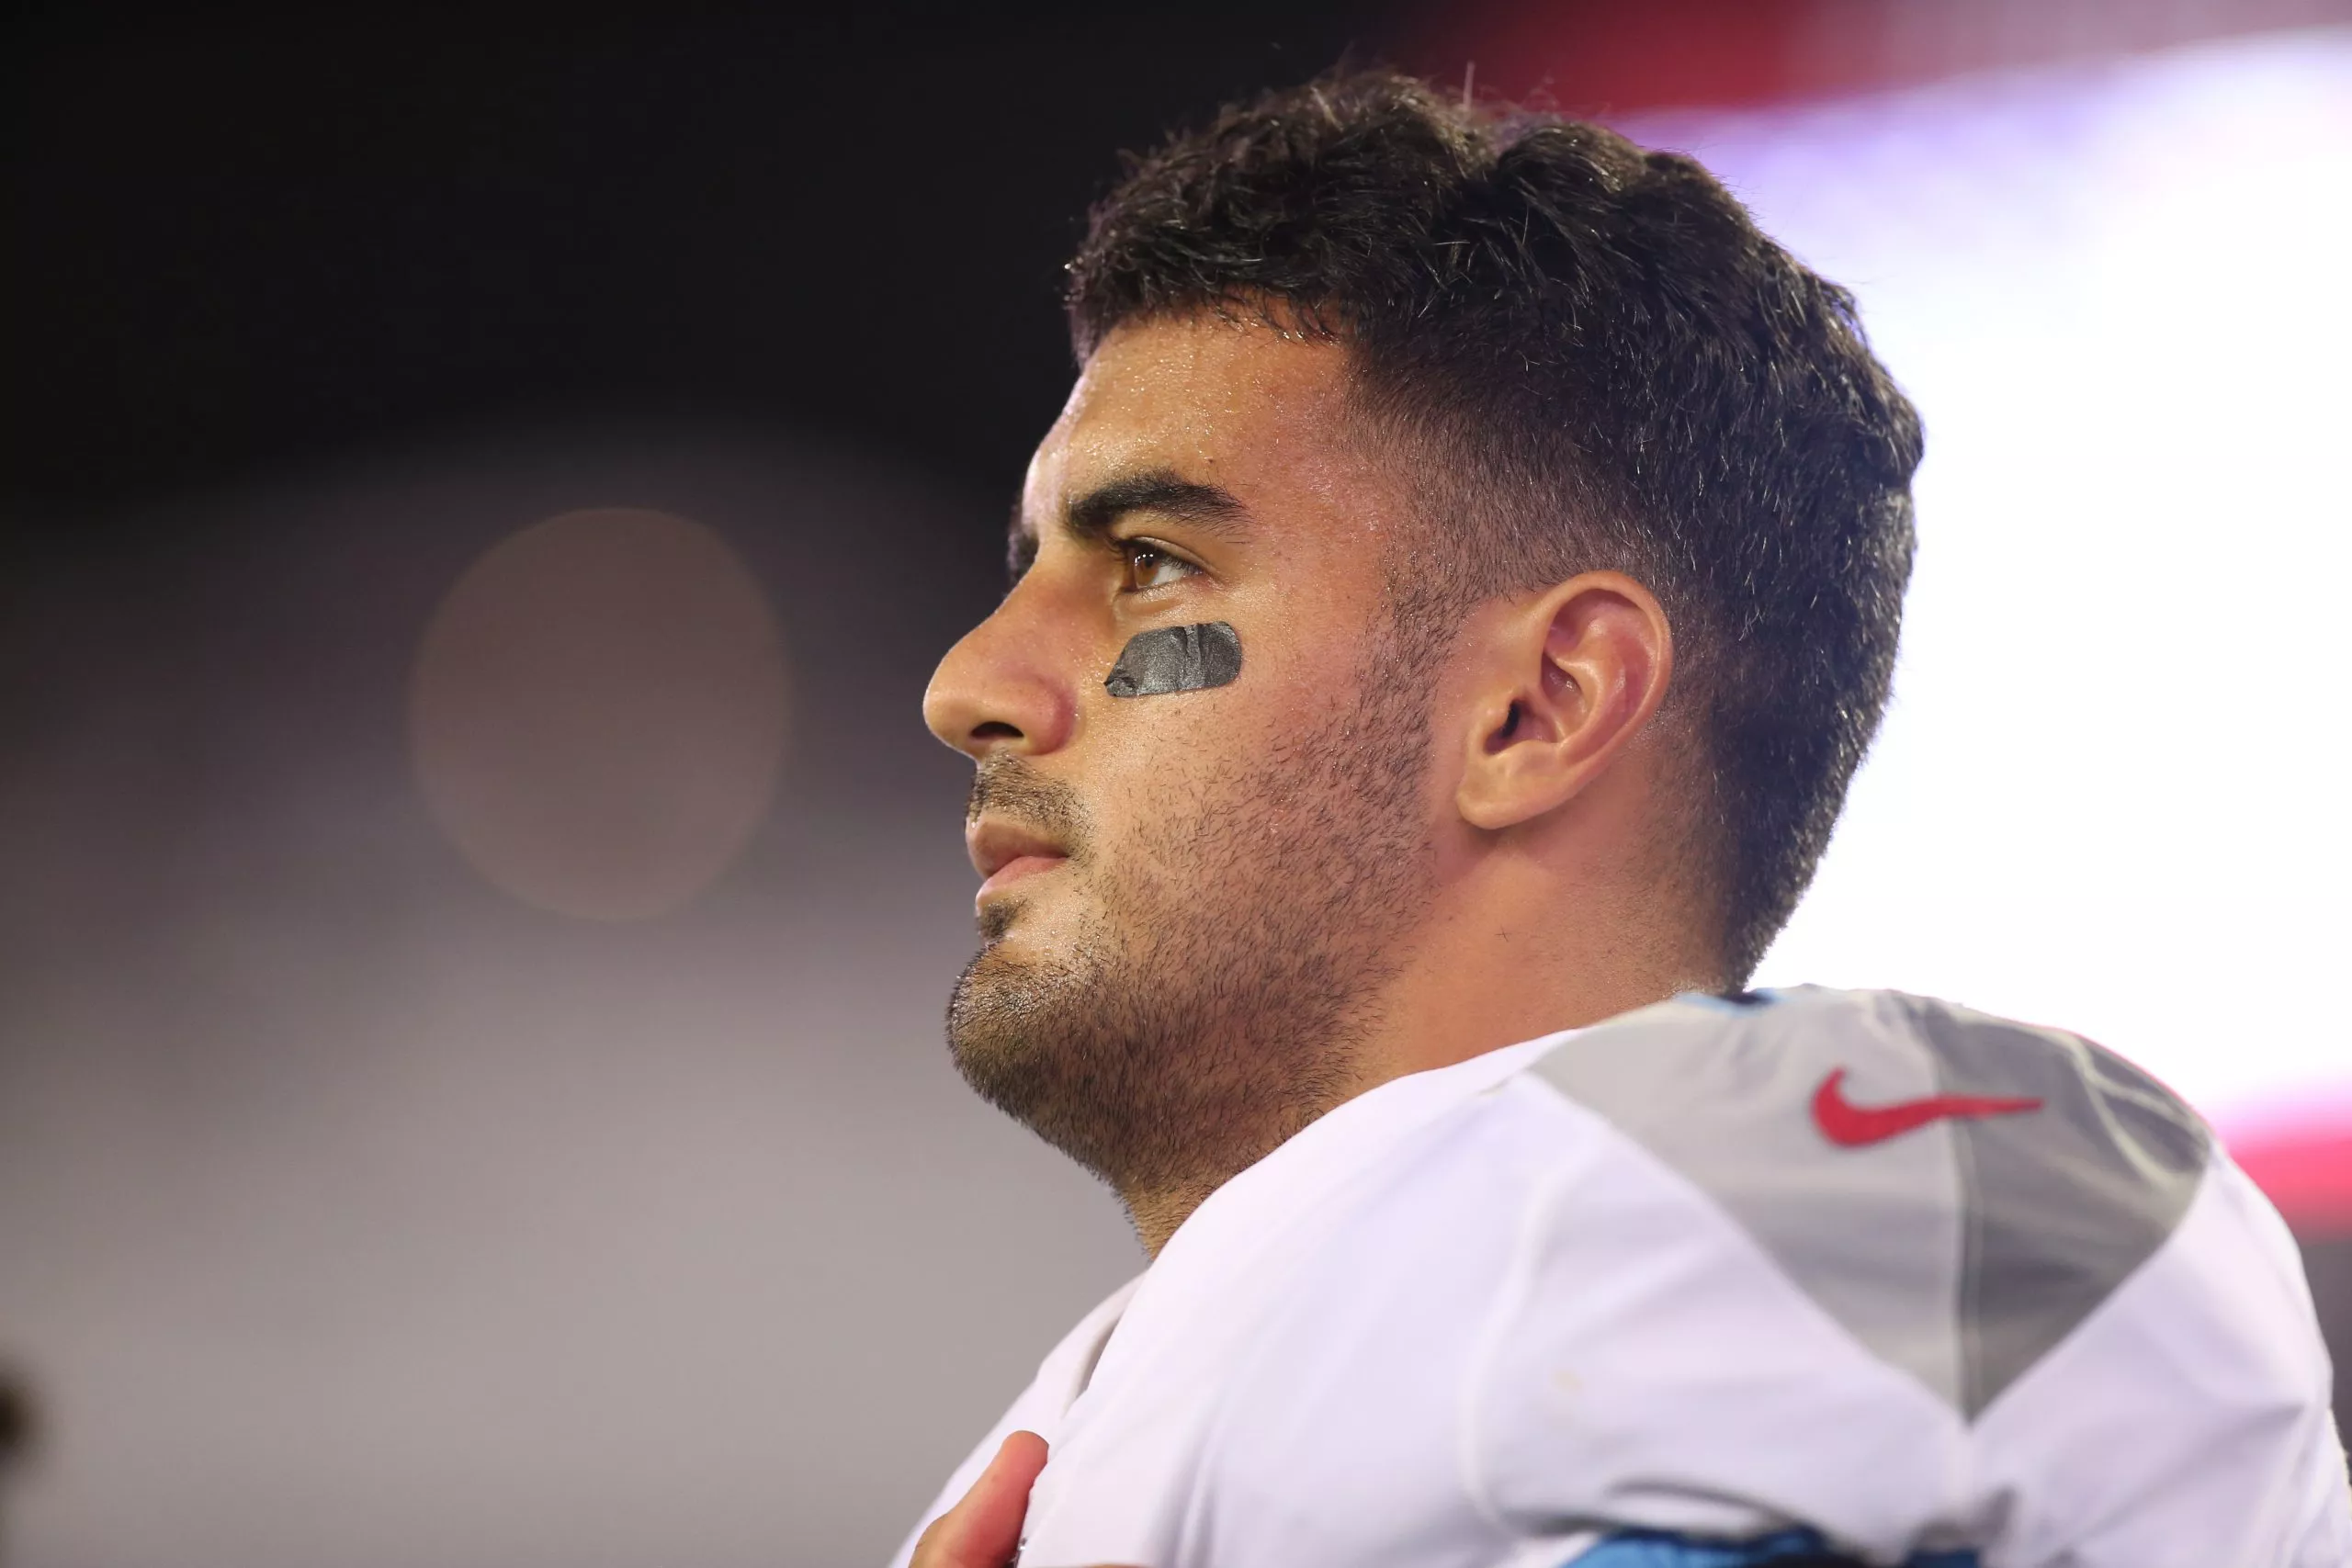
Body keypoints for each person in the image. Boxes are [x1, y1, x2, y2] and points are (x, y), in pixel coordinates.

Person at [895, 67, 2351, 1568]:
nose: (970, 682)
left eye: (1151, 560)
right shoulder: (1107, 1402)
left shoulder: (1899, 1190)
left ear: (1541, 706)